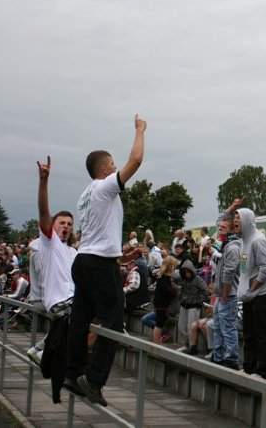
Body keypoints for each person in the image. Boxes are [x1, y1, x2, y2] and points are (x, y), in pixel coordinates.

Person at [65, 114, 146, 406]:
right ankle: (94, 380)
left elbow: (98, 233)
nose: (115, 168)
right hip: (99, 264)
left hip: (85, 259)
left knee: (80, 319)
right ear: (103, 169)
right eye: (112, 164)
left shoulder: (85, 195)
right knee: (113, 320)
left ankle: (72, 374)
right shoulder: (104, 186)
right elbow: (136, 160)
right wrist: (140, 131)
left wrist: (121, 256)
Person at [28, 156, 77, 364]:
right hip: (58, 301)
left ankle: (41, 350)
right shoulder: (49, 244)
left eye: (70, 224)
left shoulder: (73, 252)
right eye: (62, 223)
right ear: (53, 225)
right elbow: (43, 211)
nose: (66, 226)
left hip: (71, 299)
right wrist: (43, 182)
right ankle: (47, 353)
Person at [236, 208, 266, 378]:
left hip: (261, 293)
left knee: (261, 332)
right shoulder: (244, 240)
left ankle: (261, 370)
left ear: (246, 221)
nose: (235, 222)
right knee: (248, 332)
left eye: (238, 219)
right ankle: (248, 367)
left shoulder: (258, 240)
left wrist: (252, 289)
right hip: (249, 294)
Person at [209, 217, 242, 369]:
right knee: (217, 326)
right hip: (221, 294)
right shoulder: (225, 245)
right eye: (219, 226)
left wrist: (225, 294)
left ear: (231, 230)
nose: (220, 229)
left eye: (223, 227)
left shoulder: (233, 247)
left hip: (228, 294)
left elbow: (229, 272)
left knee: (228, 328)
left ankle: (231, 358)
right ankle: (218, 355)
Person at [178, 259, 210, 354]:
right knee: (181, 326)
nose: (186, 273)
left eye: (188, 271)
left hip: (194, 306)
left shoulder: (198, 279)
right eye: (184, 272)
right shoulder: (183, 280)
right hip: (184, 305)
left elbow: (205, 291)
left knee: (190, 326)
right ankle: (185, 344)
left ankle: (192, 346)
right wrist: (181, 298)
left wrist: (197, 301)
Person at [152, 257, 178, 344]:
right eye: (173, 266)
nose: (174, 268)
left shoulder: (163, 276)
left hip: (160, 303)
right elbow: (167, 291)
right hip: (161, 304)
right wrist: (175, 291)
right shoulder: (164, 277)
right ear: (170, 266)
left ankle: (156, 342)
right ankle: (156, 343)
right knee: (159, 324)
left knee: (160, 323)